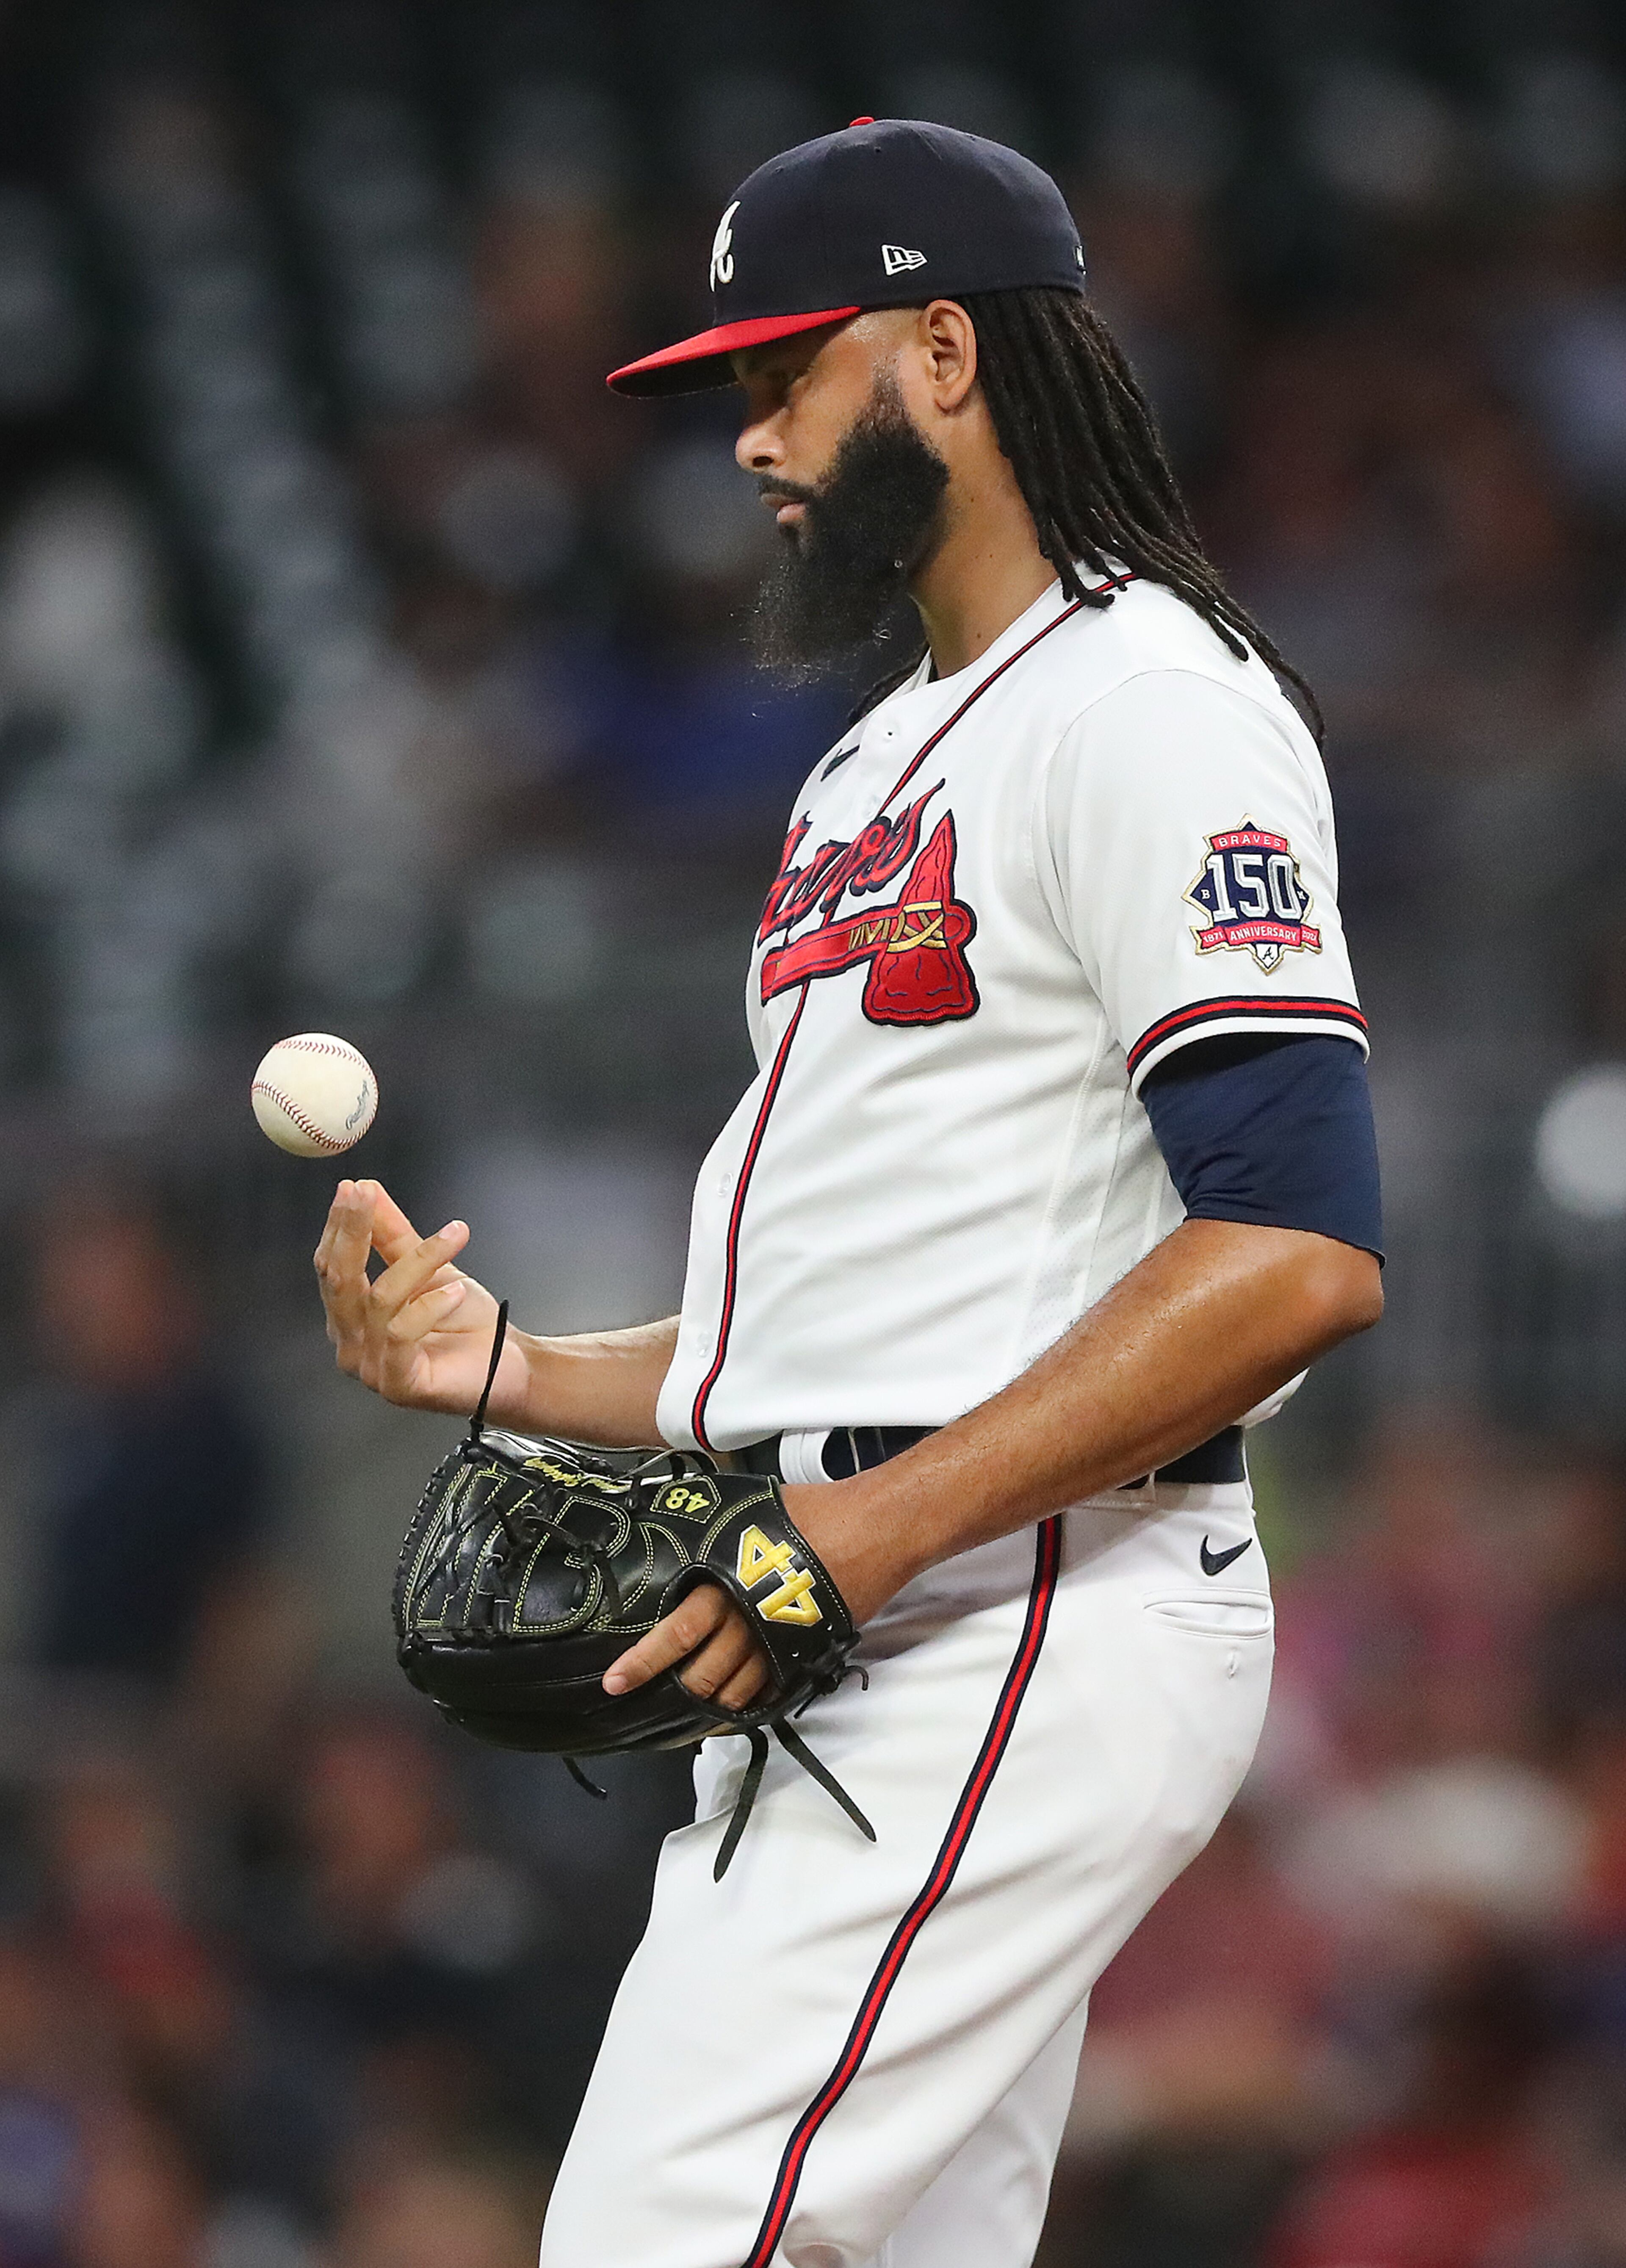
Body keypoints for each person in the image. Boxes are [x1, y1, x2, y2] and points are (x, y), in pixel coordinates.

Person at [314, 119, 1383, 2268]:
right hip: (869, 1604)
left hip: (1018, 1605)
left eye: (787, 371)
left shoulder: (1151, 705)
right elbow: (829, 1331)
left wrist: (867, 1529)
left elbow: (1297, 1253)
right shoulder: (873, 760)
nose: (749, 436)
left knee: (647, 2238)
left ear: (949, 355)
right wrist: (503, 1364)